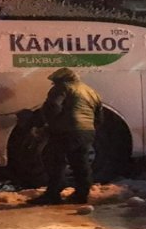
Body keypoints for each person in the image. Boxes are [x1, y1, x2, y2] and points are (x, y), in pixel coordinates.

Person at [30, 67, 103, 205]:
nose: (52, 84)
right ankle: (81, 195)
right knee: (80, 163)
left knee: (54, 160)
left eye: (54, 82)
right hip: (87, 132)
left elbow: (52, 106)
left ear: (60, 79)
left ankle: (53, 194)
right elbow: (99, 116)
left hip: (66, 130)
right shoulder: (90, 90)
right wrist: (88, 129)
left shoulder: (62, 87)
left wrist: (47, 124)